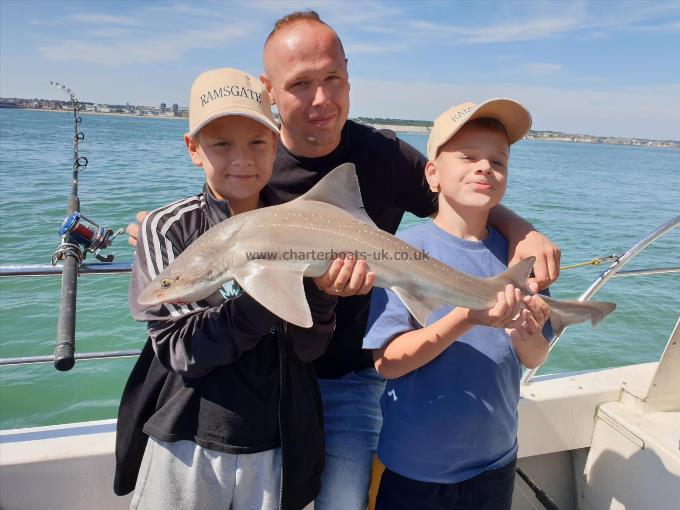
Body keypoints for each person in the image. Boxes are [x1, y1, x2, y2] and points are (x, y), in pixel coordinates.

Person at [127, 11, 561, 510]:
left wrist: (521, 230)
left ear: (349, 74)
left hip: (352, 376)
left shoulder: (384, 154)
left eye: (333, 79)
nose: (321, 99)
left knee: (342, 502)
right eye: (300, 84)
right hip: (274, 378)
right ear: (270, 90)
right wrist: (165, 233)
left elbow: (457, 188)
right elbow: (221, 207)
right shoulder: (257, 164)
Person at [115, 67, 338, 510]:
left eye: (257, 142)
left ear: (276, 144)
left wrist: (325, 294)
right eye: (221, 144)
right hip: (187, 437)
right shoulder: (168, 228)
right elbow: (180, 349)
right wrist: (268, 292)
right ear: (193, 149)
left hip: (280, 441)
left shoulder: (303, 226)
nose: (242, 159)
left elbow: (309, 349)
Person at [363, 99, 553, 510]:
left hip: (495, 462)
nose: (485, 168)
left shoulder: (521, 259)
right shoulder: (400, 253)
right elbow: (388, 362)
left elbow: (536, 356)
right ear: (432, 174)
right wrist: (465, 319)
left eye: (498, 161)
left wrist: (528, 336)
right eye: (468, 157)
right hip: (414, 468)